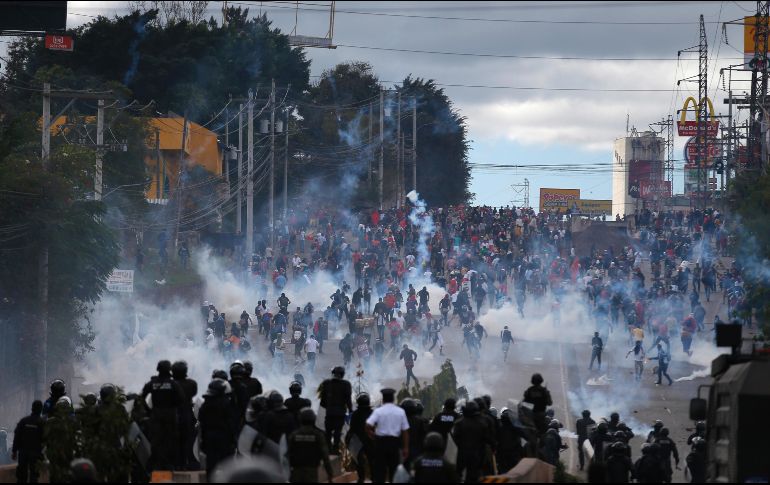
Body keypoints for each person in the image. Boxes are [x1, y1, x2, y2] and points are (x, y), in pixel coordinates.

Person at [141, 360, 185, 471]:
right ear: (169, 370)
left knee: (156, 442)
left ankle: (158, 466)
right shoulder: (173, 384)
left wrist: (149, 410)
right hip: (170, 415)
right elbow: (181, 399)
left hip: (156, 415)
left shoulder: (152, 383)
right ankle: (170, 466)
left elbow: (141, 398)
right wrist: (172, 406)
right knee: (171, 440)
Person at [366, 388, 410, 484]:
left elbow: (368, 425)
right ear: (393, 399)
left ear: (383, 399)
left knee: (380, 470)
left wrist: (372, 435)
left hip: (380, 443)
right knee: (394, 470)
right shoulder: (400, 411)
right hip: (394, 444)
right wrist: (406, 448)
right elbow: (405, 431)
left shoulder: (378, 411)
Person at [198, 379, 238, 479]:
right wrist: (234, 439)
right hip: (224, 438)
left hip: (209, 437)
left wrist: (203, 439)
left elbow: (201, 422)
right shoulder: (227, 404)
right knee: (228, 465)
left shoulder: (205, 404)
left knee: (211, 465)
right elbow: (231, 423)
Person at [287, 408, 334, 483]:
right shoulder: (318, 435)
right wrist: (330, 473)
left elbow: (287, 454)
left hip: (296, 471)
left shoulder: (294, 435)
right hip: (311, 471)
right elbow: (325, 455)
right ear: (313, 420)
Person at [452, 400, 494, 483]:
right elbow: (488, 439)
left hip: (462, 453)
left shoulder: (459, 423)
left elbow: (455, 438)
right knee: (473, 476)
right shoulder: (482, 424)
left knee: (458, 475)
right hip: (476, 454)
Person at [319, 366, 353, 454]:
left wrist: (328, 406)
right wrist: (351, 410)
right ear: (343, 374)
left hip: (329, 411)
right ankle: (335, 449)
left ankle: (328, 449)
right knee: (338, 431)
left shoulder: (327, 383)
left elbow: (323, 401)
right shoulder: (346, 384)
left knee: (328, 431)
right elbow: (348, 400)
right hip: (340, 412)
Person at [171, 361, 198, 470]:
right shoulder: (191, 383)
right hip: (186, 414)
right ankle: (184, 464)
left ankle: (176, 464)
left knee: (173, 440)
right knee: (186, 440)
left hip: (173, 415)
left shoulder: (170, 384)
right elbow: (193, 393)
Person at [12, 400, 44, 483]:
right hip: (36, 453)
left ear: (32, 408)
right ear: (41, 409)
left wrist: (14, 451)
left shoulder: (24, 421)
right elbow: (46, 439)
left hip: (23, 452)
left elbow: (17, 436)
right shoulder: (42, 423)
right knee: (34, 476)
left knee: (21, 476)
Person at [346, 393, 374, 483]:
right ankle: (373, 478)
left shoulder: (355, 414)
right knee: (372, 460)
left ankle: (361, 478)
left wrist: (348, 440)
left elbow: (352, 429)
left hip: (358, 441)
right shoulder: (373, 413)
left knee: (359, 461)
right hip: (371, 441)